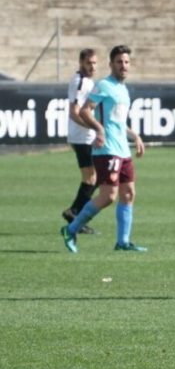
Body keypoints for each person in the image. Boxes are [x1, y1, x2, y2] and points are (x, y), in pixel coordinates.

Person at [61, 44, 147, 253]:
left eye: (126, 62)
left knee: (128, 193)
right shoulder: (103, 86)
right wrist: (99, 129)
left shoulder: (123, 90)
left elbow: (118, 122)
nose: (123, 66)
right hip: (106, 149)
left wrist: (134, 135)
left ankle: (123, 242)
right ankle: (71, 229)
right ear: (111, 64)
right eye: (119, 62)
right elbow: (84, 111)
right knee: (108, 196)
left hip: (122, 149)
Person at [62, 48, 99, 235]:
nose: (92, 66)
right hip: (81, 137)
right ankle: (74, 213)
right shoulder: (80, 82)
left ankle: (77, 214)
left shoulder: (88, 81)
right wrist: (94, 128)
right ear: (81, 63)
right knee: (92, 178)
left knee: (95, 177)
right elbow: (74, 113)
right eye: (89, 63)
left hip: (85, 136)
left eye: (94, 63)